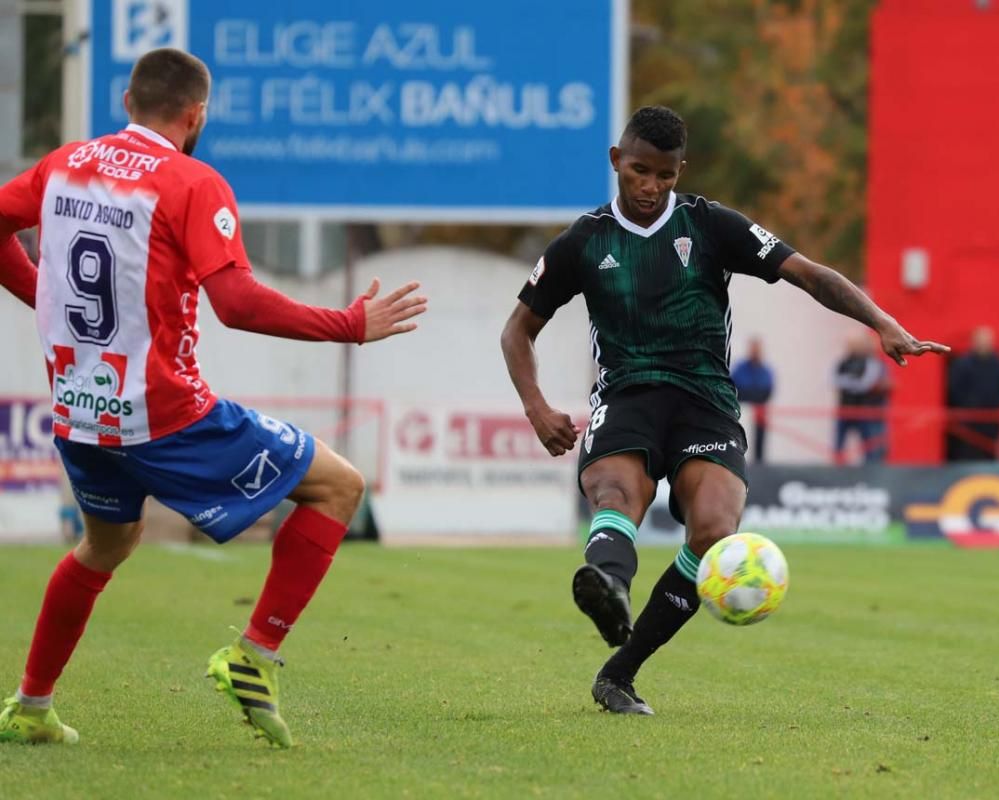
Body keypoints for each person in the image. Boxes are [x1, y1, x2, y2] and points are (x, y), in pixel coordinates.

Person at [0, 49, 427, 747]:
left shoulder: (63, 165)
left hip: (81, 410)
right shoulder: (191, 181)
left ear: (128, 100)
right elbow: (236, 302)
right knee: (338, 488)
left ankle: (31, 706)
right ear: (196, 115)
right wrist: (347, 325)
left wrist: (44, 301)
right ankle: (253, 655)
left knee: (104, 545)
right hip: (164, 414)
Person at [500, 106, 948, 715]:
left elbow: (807, 274)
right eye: (638, 171)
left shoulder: (709, 225)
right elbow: (517, 331)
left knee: (714, 531)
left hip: (704, 401)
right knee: (615, 491)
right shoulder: (584, 241)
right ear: (615, 161)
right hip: (627, 396)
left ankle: (619, 674)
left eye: (664, 174)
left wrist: (881, 322)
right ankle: (607, 586)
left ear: (680, 170)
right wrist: (536, 408)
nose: (649, 186)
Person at [946, 326, 999, 461]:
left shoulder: (998, 363)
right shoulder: (963, 364)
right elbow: (954, 390)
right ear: (974, 342)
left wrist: (996, 404)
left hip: (992, 423)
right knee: (969, 458)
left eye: (987, 341)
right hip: (969, 424)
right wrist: (968, 406)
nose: (984, 344)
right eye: (981, 340)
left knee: (992, 460)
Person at [832, 332, 890, 463]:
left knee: (872, 447)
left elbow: (867, 383)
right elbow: (834, 379)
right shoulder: (843, 362)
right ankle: (838, 470)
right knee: (839, 447)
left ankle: (871, 474)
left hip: (868, 412)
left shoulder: (873, 362)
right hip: (846, 410)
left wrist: (851, 384)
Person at [730, 338, 775, 463]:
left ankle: (758, 463)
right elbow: (735, 386)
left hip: (759, 411)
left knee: (759, 436)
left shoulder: (766, 370)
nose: (755, 351)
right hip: (742, 409)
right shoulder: (740, 367)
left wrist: (752, 395)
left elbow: (767, 390)